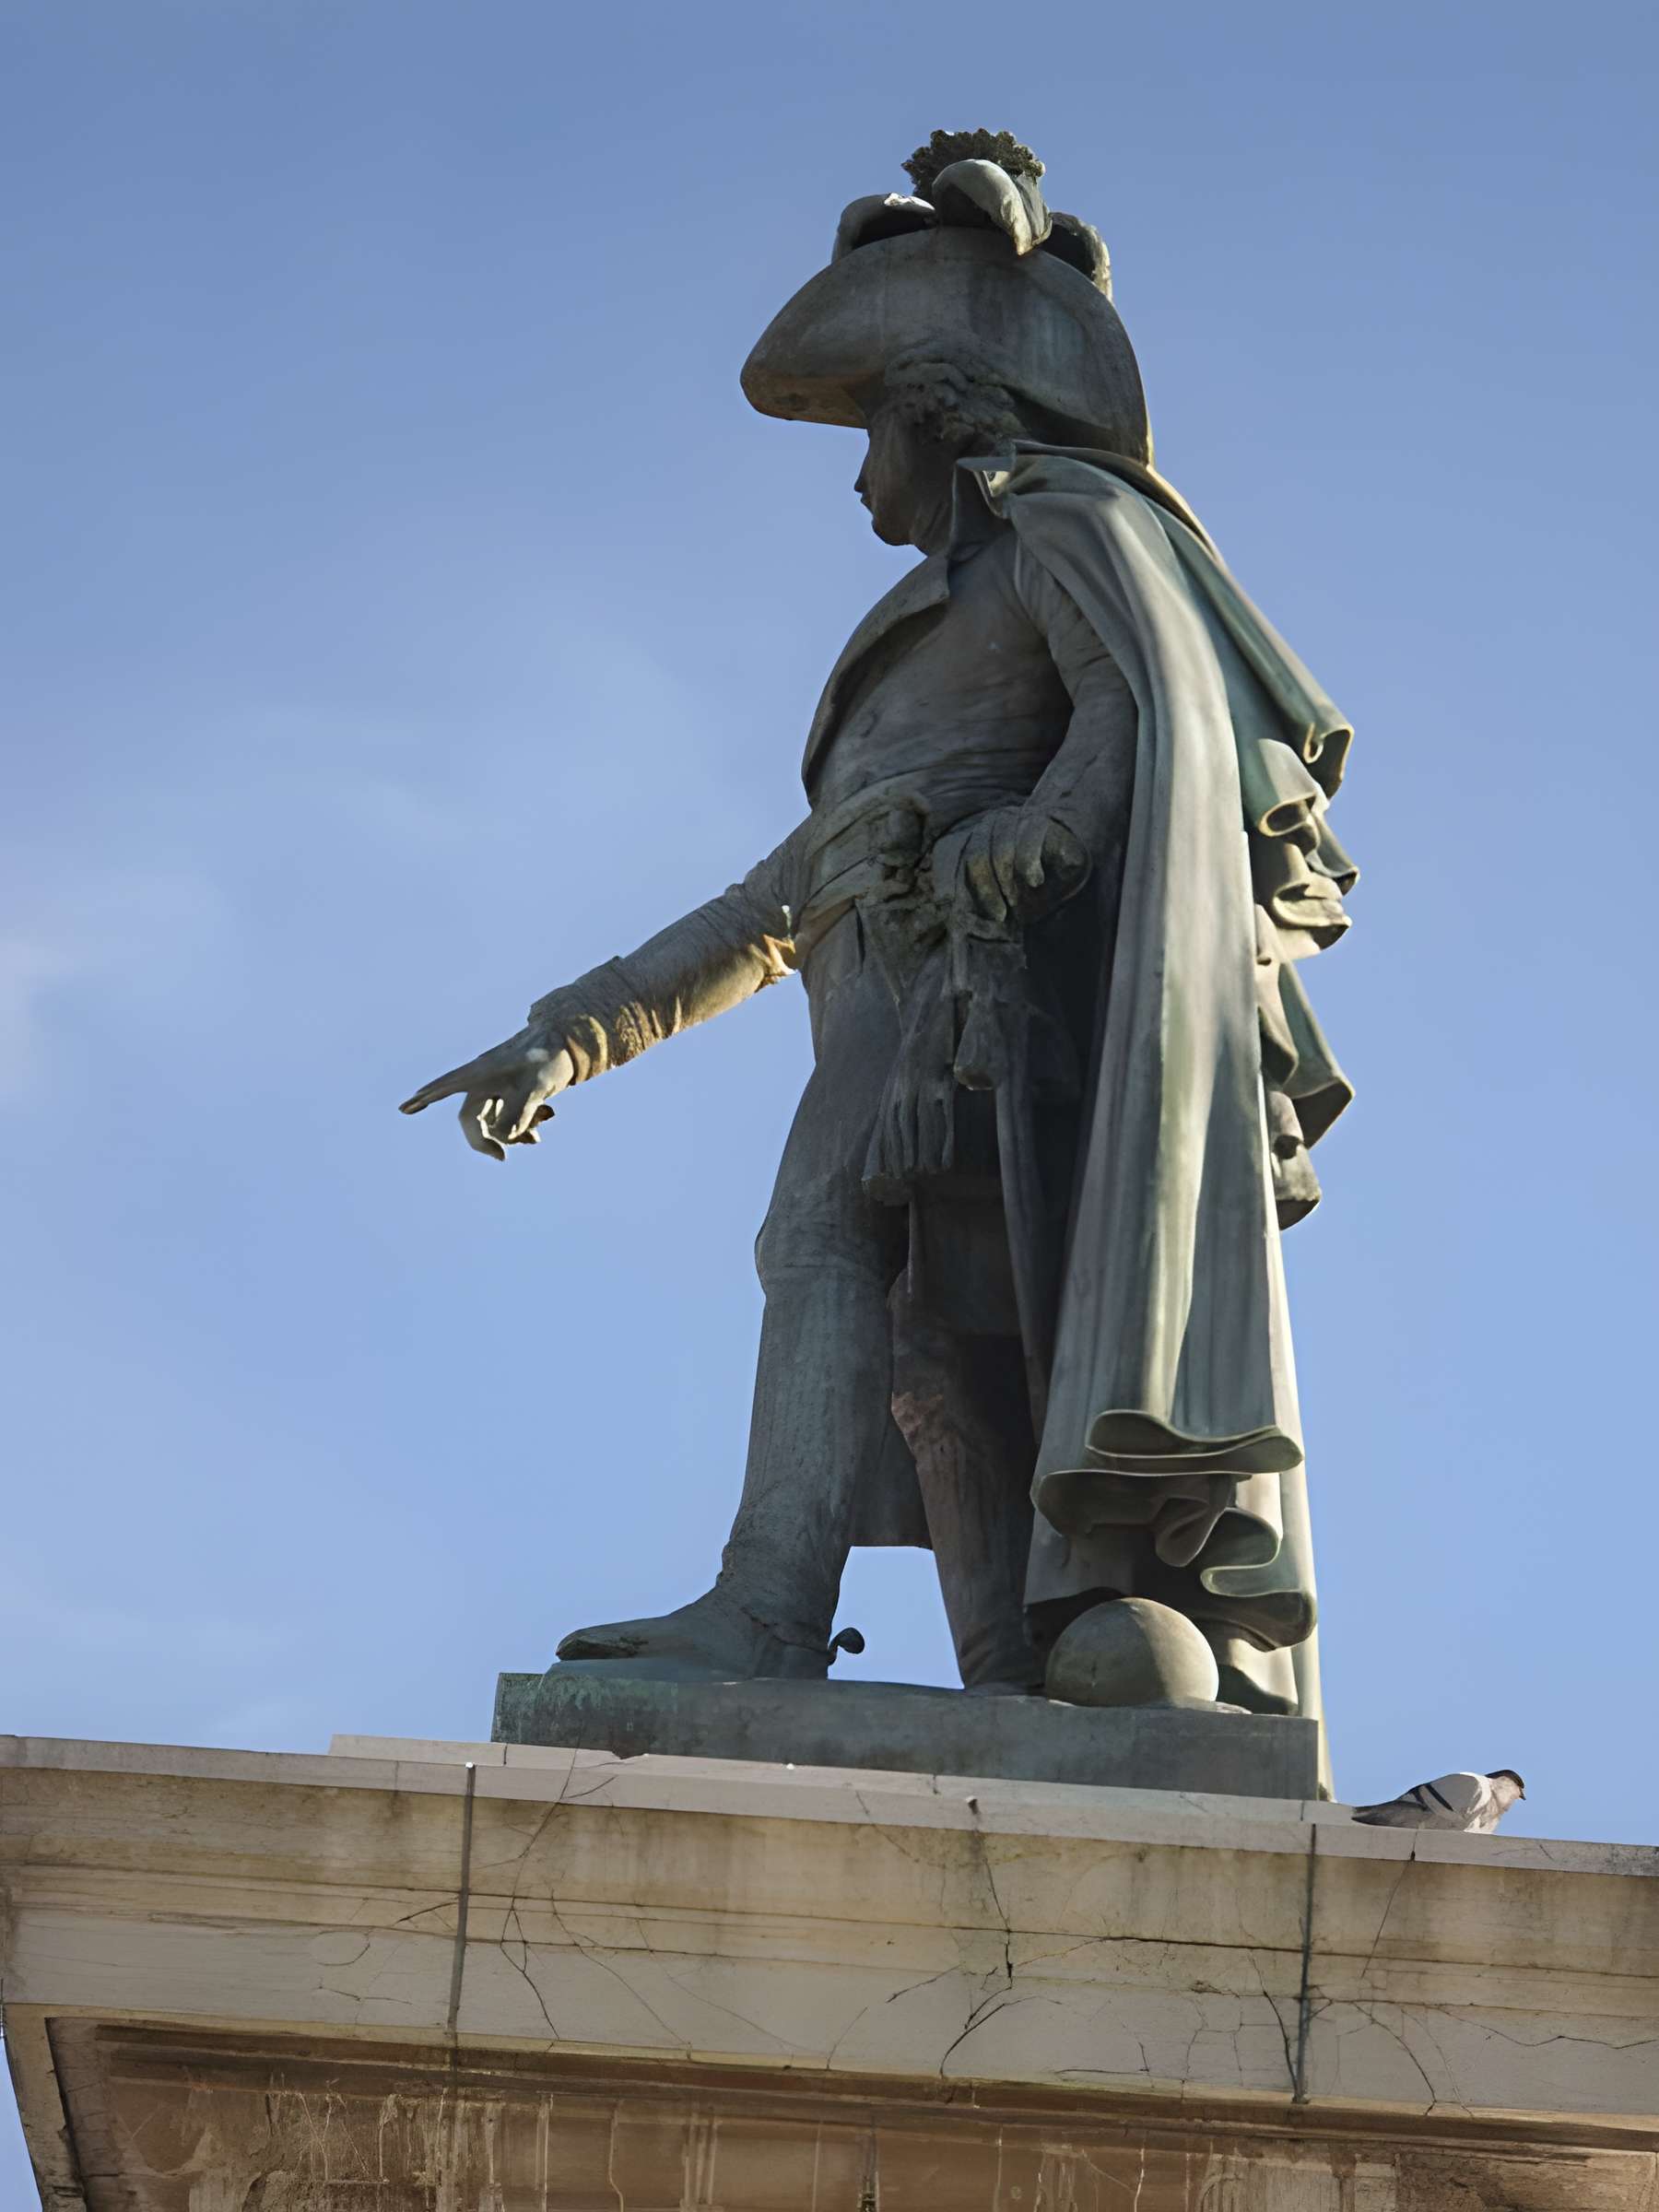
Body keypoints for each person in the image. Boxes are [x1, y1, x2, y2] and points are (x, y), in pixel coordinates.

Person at [403, 133, 1357, 1722]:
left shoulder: (1059, 520)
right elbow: (775, 901)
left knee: (820, 1242)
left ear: (929, 408)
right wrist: (564, 1031)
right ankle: (1014, 1678)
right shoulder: (917, 635)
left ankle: (769, 1612)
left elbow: (1148, 695)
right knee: (930, 1357)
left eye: (866, 434)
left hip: (976, 997)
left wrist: (1045, 831)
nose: (856, 476)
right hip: (896, 1006)